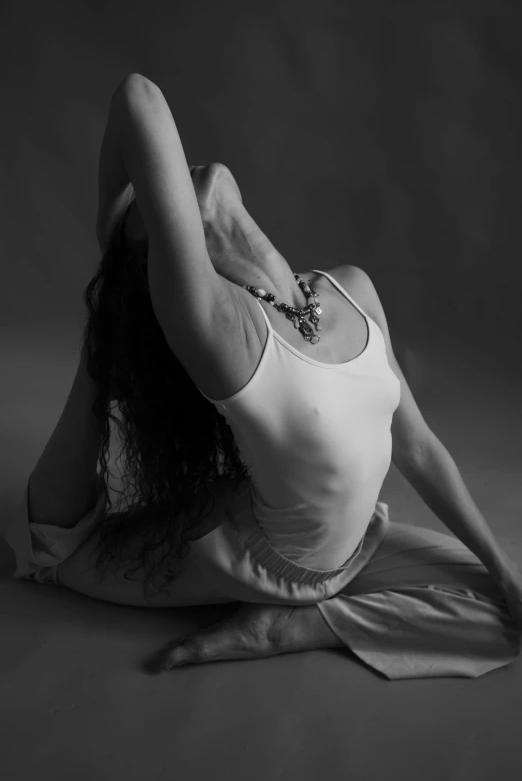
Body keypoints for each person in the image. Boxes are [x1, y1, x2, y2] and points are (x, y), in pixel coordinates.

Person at [4, 73, 522, 680]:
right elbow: (138, 97)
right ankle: (289, 621)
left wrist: (505, 569)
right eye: (158, 203)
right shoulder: (221, 329)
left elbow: (418, 446)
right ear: (170, 253)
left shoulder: (349, 288)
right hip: (271, 561)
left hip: (344, 550)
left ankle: (300, 619)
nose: (182, 174)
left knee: (503, 612)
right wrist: (110, 242)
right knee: (56, 551)